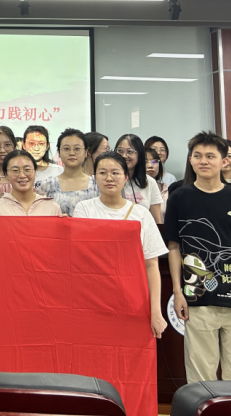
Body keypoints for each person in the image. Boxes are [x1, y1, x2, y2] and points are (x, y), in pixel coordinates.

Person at [164, 131, 231, 383]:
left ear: (224, 161)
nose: (203, 160)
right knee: (200, 378)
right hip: (197, 299)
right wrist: (178, 292)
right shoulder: (179, 197)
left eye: (210, 156)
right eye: (197, 155)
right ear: (190, 160)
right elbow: (174, 247)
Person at [74, 151, 167, 338]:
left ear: (126, 177)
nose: (109, 178)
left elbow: (151, 265)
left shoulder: (141, 214)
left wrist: (156, 311)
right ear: (95, 177)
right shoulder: (84, 209)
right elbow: (79, 256)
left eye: (115, 173)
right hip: (93, 299)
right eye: (102, 173)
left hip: (133, 298)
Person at [36, 128, 99, 217]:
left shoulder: (97, 185)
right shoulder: (47, 185)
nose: (72, 153)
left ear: (85, 152)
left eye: (77, 149)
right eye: (66, 148)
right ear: (59, 153)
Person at [0, 150, 61, 217]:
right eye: (15, 170)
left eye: (27, 169)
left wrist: (64, 223)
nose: (22, 175)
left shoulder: (52, 208)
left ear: (35, 172)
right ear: (6, 175)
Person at [115, 134, 163, 223]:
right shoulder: (108, 180)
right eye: (120, 151)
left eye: (130, 151)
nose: (124, 155)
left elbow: (157, 221)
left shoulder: (149, 182)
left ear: (139, 154)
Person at [145, 147, 169, 216]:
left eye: (154, 161)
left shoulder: (167, 190)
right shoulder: (132, 189)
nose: (150, 166)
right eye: (145, 162)